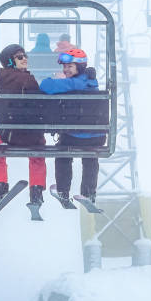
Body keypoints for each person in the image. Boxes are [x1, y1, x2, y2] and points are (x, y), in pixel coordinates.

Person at [39, 49, 106, 208]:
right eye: (64, 67)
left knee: (63, 154)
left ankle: (62, 190)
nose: (65, 70)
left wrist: (55, 78)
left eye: (70, 66)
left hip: (74, 136)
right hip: (97, 135)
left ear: (80, 67)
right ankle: (89, 193)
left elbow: (45, 86)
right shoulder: (91, 82)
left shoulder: (72, 83)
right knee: (90, 157)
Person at [0, 44, 46, 212]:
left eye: (25, 55)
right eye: (20, 57)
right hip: (32, 137)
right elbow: (41, 105)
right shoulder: (29, 80)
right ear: (10, 62)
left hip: (9, 136)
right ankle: (36, 190)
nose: (25, 58)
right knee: (38, 153)